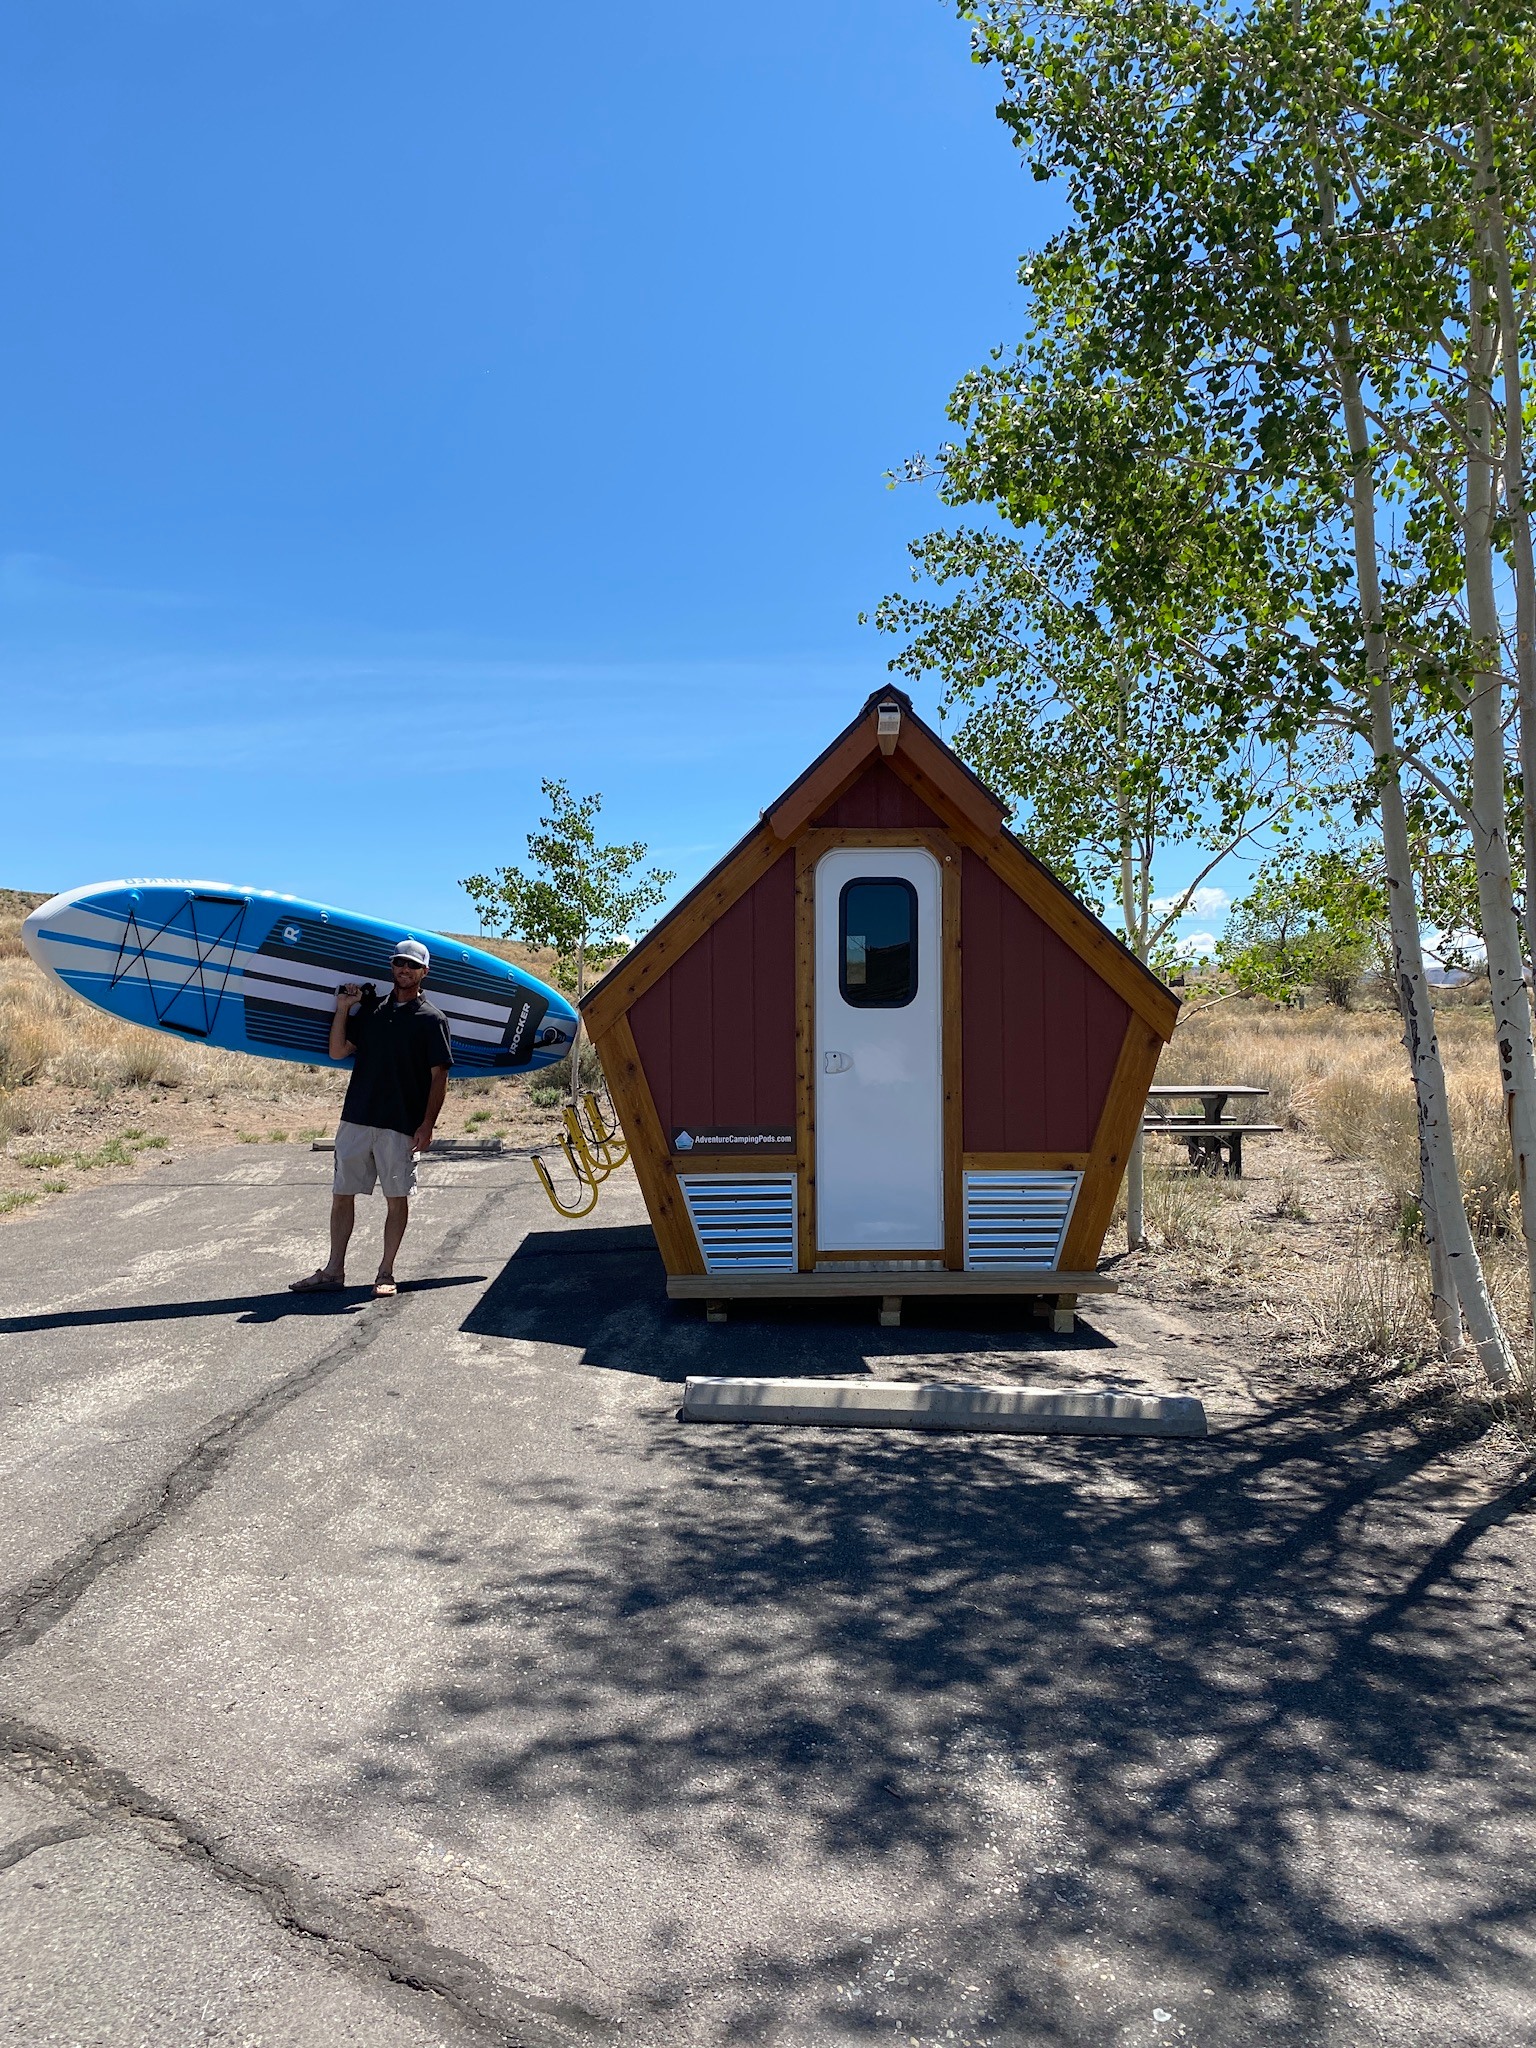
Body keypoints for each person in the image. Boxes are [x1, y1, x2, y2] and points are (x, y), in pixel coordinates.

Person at [289, 938, 452, 1297]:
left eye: (412, 965)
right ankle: (334, 1270)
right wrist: (343, 1009)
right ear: (392, 966)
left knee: (396, 1197)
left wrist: (427, 1125)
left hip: (401, 1124)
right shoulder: (372, 1011)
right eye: (400, 963)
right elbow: (338, 1051)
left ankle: (386, 1272)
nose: (405, 969)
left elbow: (439, 1076)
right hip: (357, 1117)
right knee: (341, 1194)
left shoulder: (432, 1019)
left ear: (424, 972)